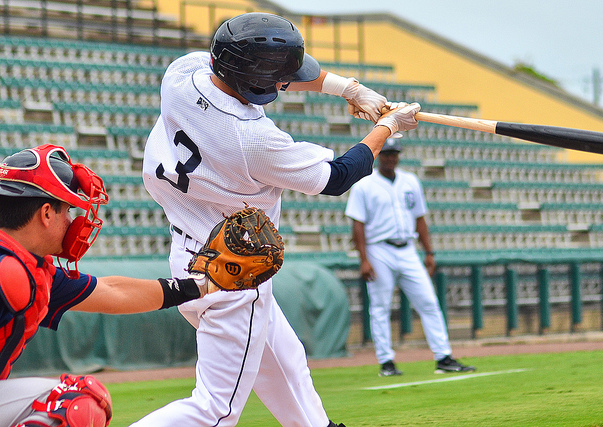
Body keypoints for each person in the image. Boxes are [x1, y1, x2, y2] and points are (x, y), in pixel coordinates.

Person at [136, 11, 421, 427]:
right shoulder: (250, 138)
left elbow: (262, 73)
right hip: (232, 270)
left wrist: (348, 88)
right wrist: (386, 127)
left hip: (193, 252)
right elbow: (338, 177)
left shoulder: (181, 75)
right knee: (215, 410)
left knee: (287, 364)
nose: (284, 83)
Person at [0, 144, 217, 427]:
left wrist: (201, 285)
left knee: (81, 399)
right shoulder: (12, 269)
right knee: (75, 404)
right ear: (46, 213)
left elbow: (114, 292)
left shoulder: (33, 269)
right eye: (68, 210)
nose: (72, 221)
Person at [345, 137, 476, 377]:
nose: (391, 158)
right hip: (379, 249)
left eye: (394, 154)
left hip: (408, 248)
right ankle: (386, 362)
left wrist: (429, 252)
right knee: (380, 306)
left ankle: (443, 357)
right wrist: (363, 259)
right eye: (386, 153)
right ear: (379, 156)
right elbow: (357, 225)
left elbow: (420, 218)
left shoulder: (410, 181)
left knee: (429, 302)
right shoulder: (364, 184)